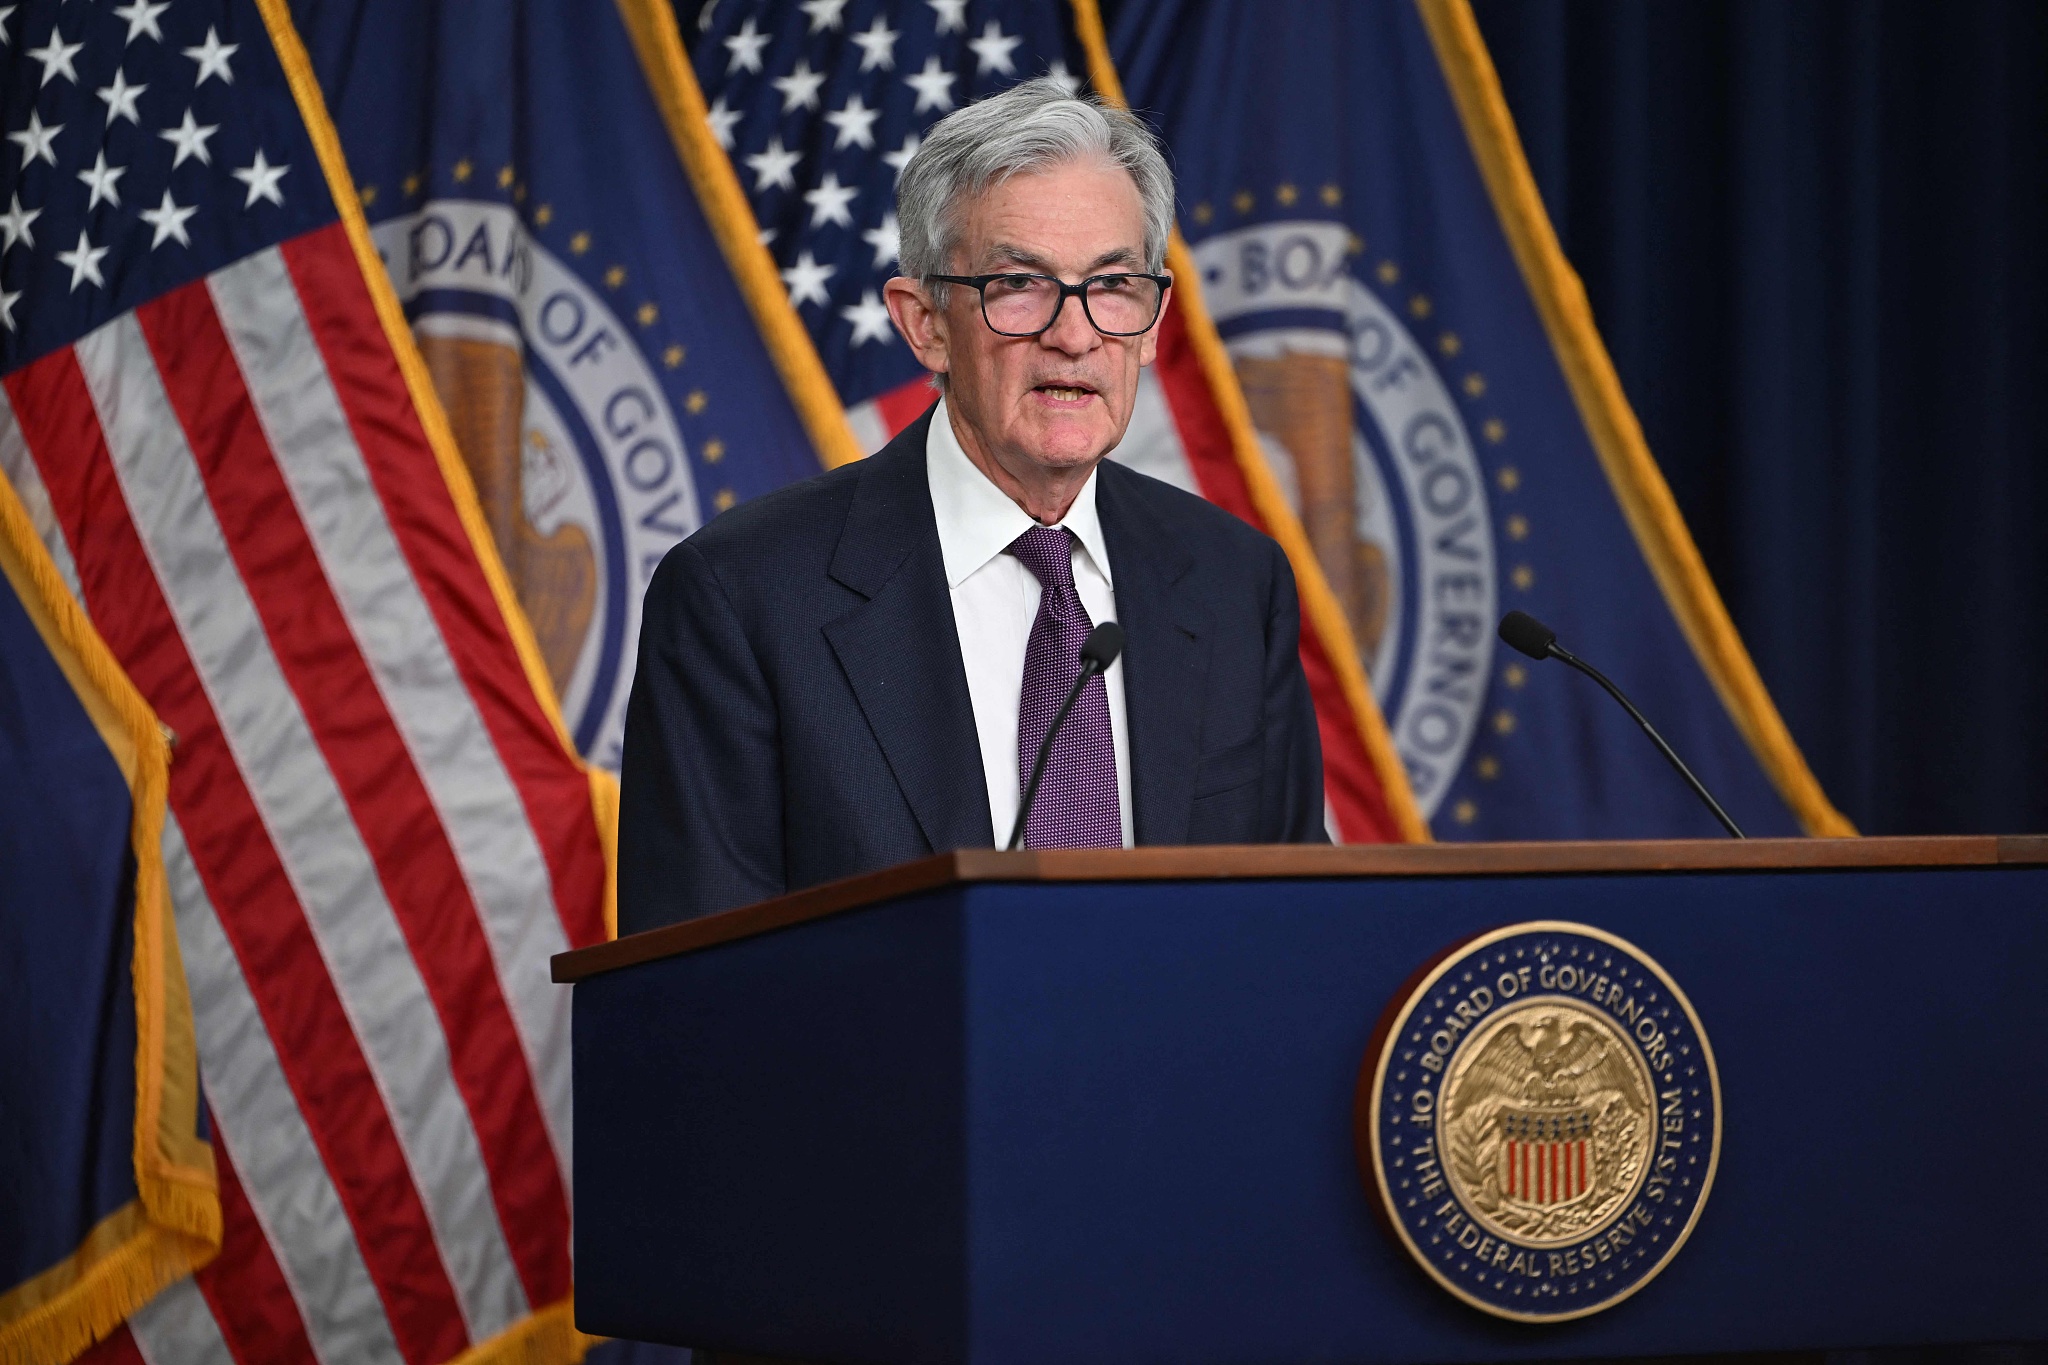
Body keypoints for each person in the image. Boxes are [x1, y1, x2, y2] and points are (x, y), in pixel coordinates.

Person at [617, 78, 1327, 933]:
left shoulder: (1232, 582)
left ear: (1152, 316)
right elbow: (698, 999)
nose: (1075, 334)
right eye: (1020, 285)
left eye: (1113, 286)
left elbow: (1295, 932)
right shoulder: (743, 598)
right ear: (925, 324)